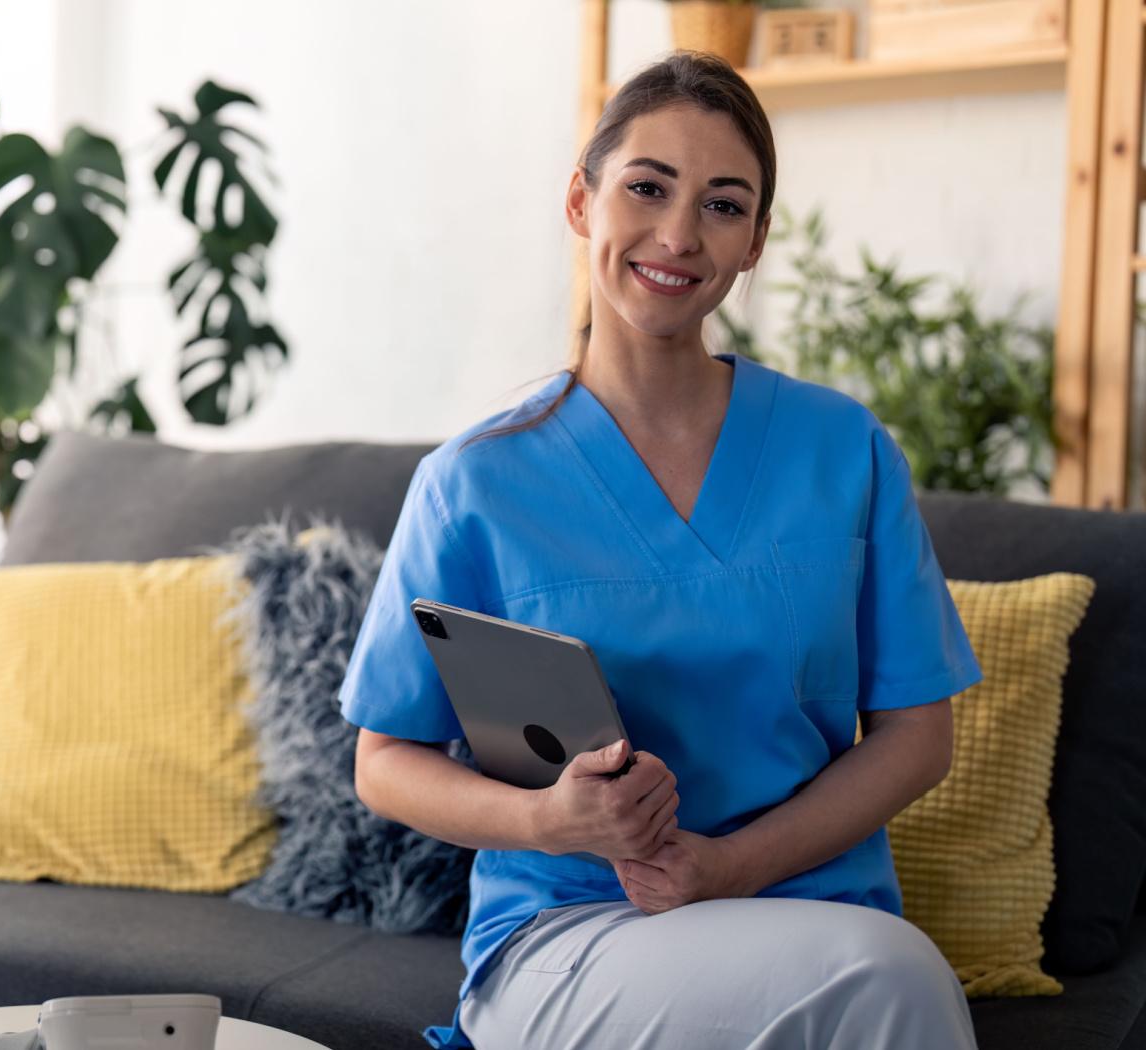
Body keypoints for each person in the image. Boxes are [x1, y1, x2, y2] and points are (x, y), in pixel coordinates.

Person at [338, 50, 985, 1050]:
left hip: (812, 919)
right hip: (574, 933)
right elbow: (384, 761)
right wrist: (548, 821)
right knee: (891, 983)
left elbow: (915, 734)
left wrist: (729, 868)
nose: (678, 234)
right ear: (580, 201)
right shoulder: (476, 481)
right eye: (647, 188)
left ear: (757, 240)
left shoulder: (841, 451)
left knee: (878, 973)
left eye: (723, 206)